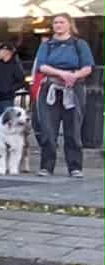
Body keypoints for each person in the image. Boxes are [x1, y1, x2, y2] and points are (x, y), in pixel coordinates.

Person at [33, 13, 94, 177]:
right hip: (51, 88)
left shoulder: (79, 44)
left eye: (62, 22)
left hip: (73, 89)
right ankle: (46, 166)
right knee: (48, 129)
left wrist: (74, 76)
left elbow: (88, 67)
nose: (58, 25)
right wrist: (62, 74)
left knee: (73, 129)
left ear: (69, 25)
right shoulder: (47, 45)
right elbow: (42, 66)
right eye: (55, 22)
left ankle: (75, 167)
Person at [0, 39, 27, 120]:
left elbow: (21, 81)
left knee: (7, 121)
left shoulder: (15, 65)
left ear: (6, 52)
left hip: (7, 99)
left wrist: (10, 89)